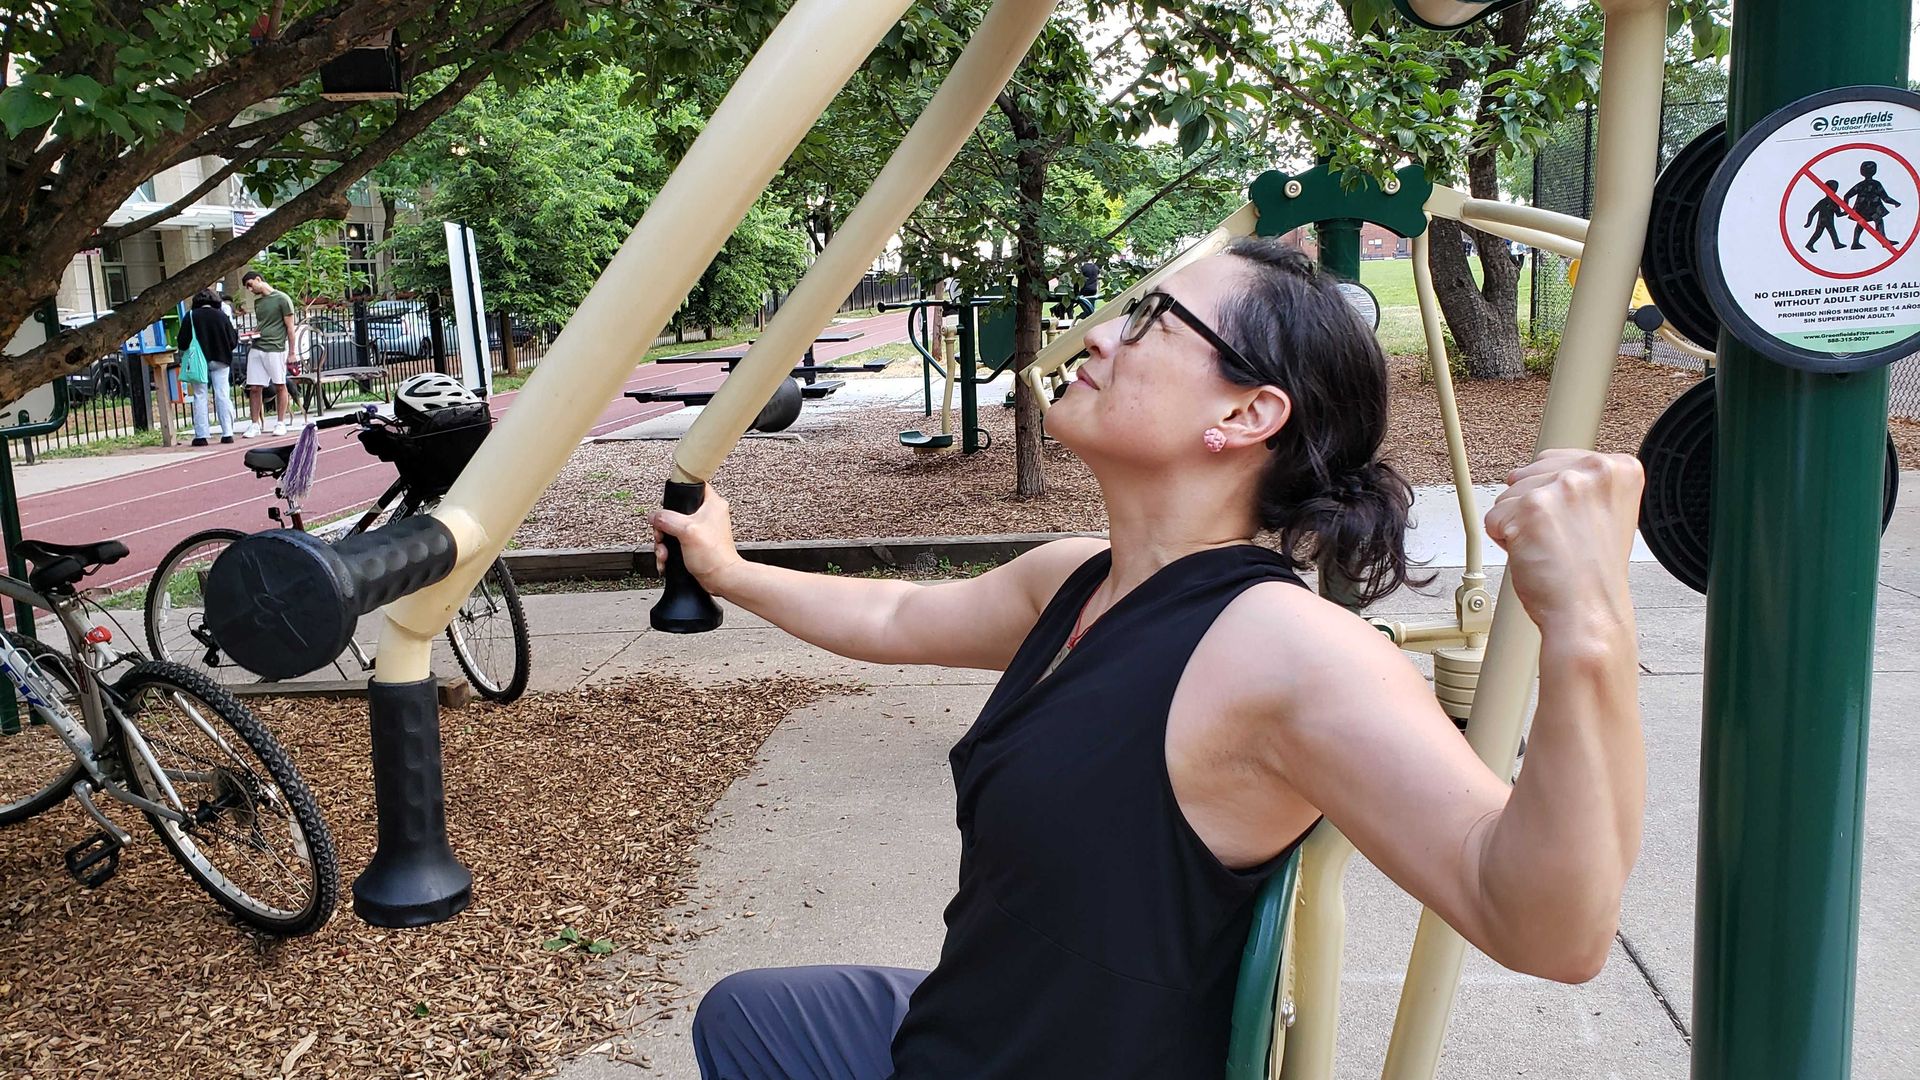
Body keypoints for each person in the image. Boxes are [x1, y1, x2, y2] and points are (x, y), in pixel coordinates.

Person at [652, 238, 1647, 1079]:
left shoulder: (1285, 652)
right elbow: (899, 613)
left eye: (1149, 322)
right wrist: (730, 572)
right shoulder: (1075, 579)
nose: (1096, 336)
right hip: (971, 1027)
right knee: (749, 1018)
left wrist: (1590, 626)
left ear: (1246, 416)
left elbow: (1548, 929)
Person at [180, 289, 238, 446]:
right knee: (222, 394)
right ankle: (227, 433)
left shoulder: (191, 316)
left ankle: (201, 435)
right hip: (221, 359)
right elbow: (233, 341)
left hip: (198, 361)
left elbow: (182, 342)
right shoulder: (221, 316)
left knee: (200, 395)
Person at [240, 269, 295, 437]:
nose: (250, 290)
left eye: (250, 285)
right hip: (257, 346)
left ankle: (280, 422)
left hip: (275, 347)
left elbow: (290, 327)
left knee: (280, 384)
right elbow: (262, 324)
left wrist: (292, 352)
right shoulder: (259, 302)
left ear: (258, 279)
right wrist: (252, 333)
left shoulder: (282, 299)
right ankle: (254, 424)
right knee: (254, 387)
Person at [1846, 160, 1902, 250]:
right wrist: (1895, 203)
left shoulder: (1861, 185)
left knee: (1862, 224)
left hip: (1864, 210)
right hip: (1871, 209)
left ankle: (1857, 243)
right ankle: (1881, 241)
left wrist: (1846, 209)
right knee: (1876, 221)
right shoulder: (1876, 184)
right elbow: (1885, 198)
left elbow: (1847, 196)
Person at [1806, 179, 1847, 252]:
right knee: (1824, 232)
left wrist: (1808, 223)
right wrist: (1808, 223)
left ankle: (1836, 244)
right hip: (1827, 221)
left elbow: (1811, 213)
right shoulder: (1833, 202)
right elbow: (1812, 212)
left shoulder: (1825, 201)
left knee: (1820, 233)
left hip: (1824, 220)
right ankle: (1836, 244)